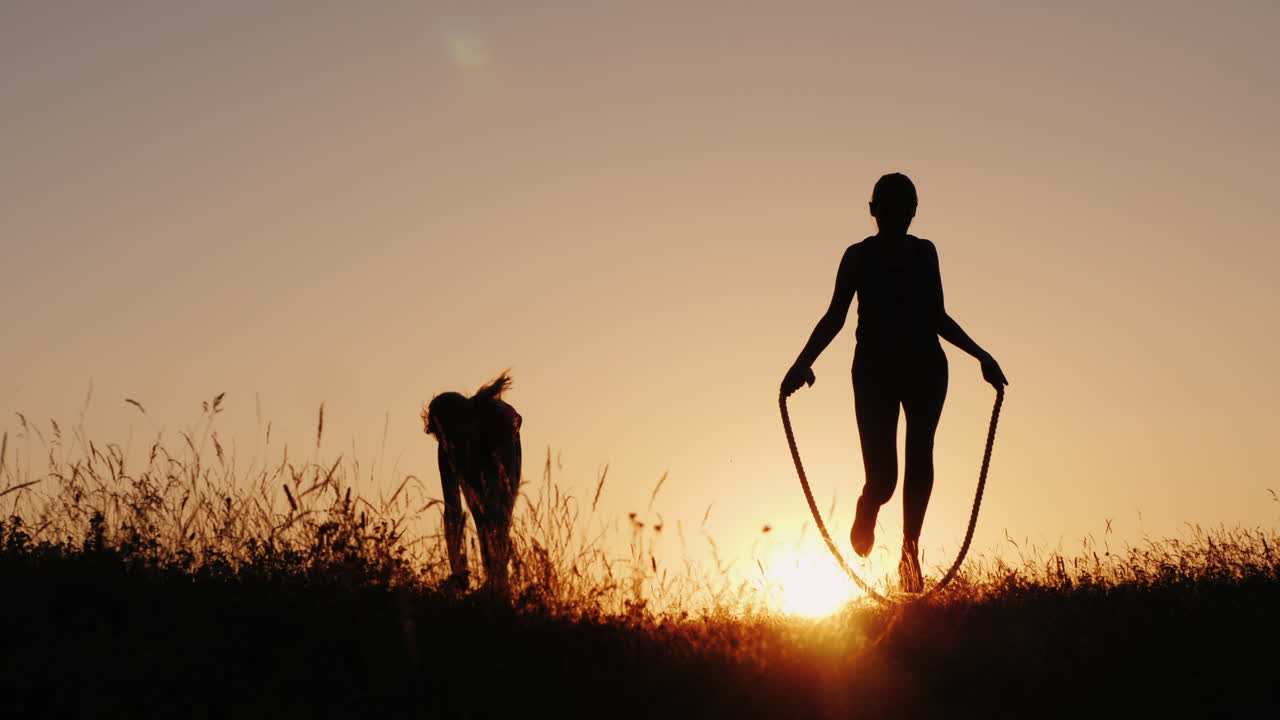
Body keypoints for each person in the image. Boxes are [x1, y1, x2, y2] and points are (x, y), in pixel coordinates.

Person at [781, 173, 1007, 592]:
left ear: (914, 213)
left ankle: (909, 553)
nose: (897, 217)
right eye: (888, 209)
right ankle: (868, 505)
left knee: (921, 453)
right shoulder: (857, 257)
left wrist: (982, 356)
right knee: (884, 477)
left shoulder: (925, 254)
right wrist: (802, 363)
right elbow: (835, 317)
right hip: (873, 371)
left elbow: (938, 316)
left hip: (925, 366)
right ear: (873, 212)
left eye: (905, 210)